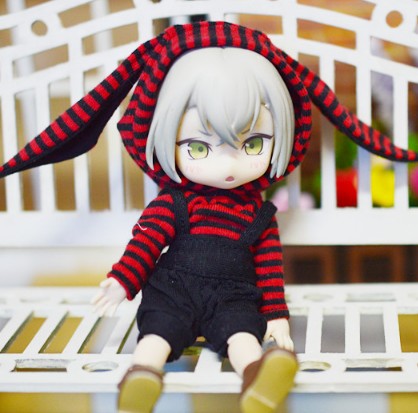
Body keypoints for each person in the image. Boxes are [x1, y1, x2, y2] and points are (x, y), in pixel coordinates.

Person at [92, 47, 298, 413]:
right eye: (199, 148)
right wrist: (123, 279)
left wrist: (276, 314)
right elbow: (147, 241)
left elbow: (269, 268)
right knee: (159, 330)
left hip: (233, 293)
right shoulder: (175, 202)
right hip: (175, 287)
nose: (229, 166)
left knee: (242, 332)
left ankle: (257, 378)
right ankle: (142, 375)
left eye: (252, 144)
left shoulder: (259, 214)